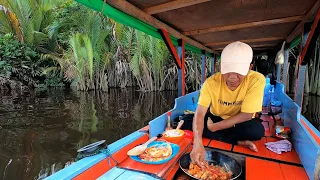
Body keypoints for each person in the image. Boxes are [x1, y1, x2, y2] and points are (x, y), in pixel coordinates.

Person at [185, 41, 266, 167]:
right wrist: (197, 143)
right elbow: (200, 112)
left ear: (250, 68)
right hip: (215, 117)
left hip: (238, 122)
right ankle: (237, 142)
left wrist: (214, 127)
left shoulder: (257, 80)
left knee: (256, 131)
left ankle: (218, 132)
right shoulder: (211, 82)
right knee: (184, 121)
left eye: (238, 72)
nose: (232, 78)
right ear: (221, 66)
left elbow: (246, 115)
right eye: (228, 71)